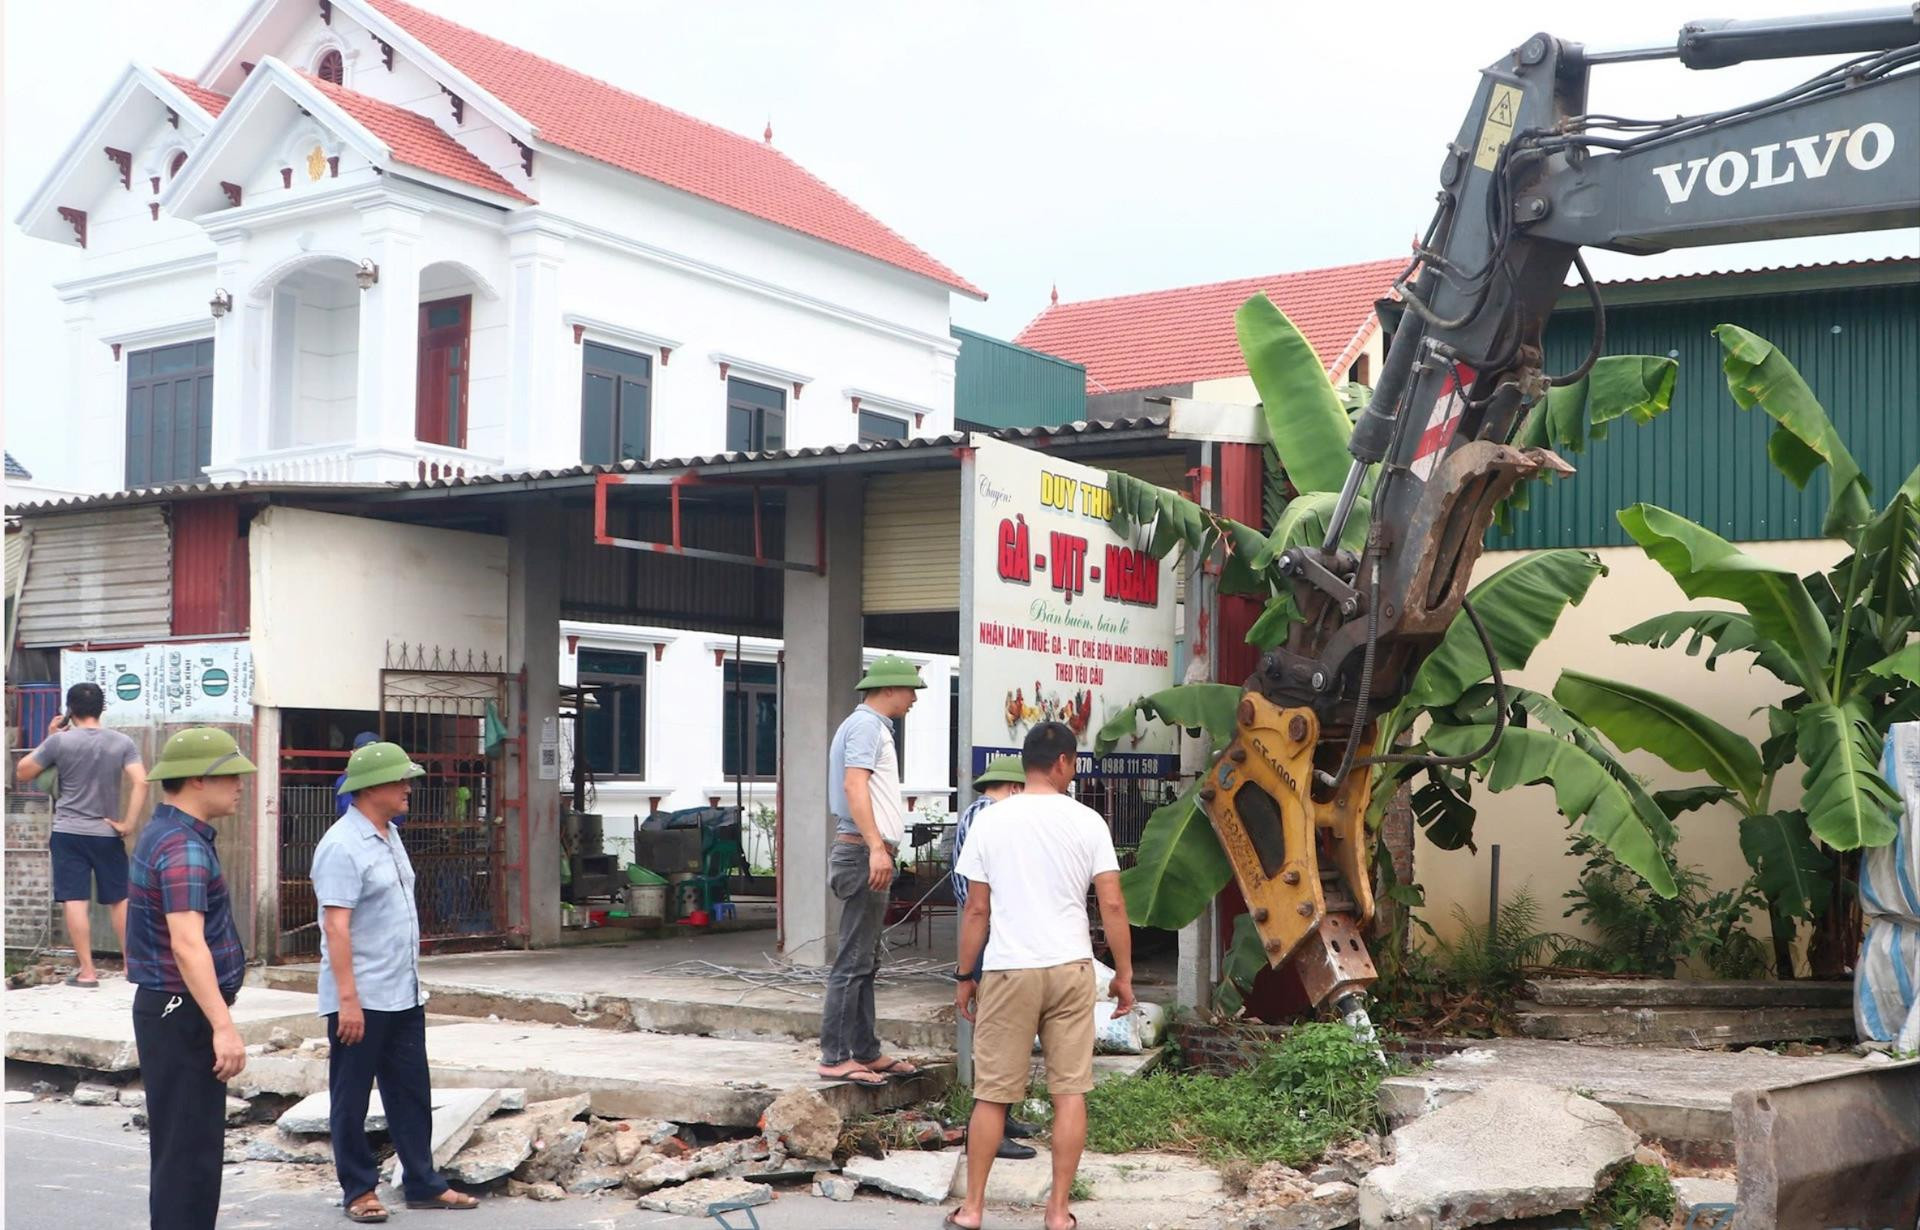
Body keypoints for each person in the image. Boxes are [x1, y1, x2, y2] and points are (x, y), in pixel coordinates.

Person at [948, 722, 1136, 1230]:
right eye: (1073, 764)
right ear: (1061, 764)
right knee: (1069, 1092)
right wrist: (1124, 974)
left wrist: (966, 976)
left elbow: (976, 912)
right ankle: (1056, 1213)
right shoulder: (1088, 821)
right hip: (1071, 968)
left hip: (1010, 969)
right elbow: (1113, 903)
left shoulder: (991, 820)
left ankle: (972, 1210)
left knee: (992, 1093)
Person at [312, 741, 478, 1221]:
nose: (409, 788)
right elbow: (335, 926)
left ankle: (423, 1181)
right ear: (372, 788)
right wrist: (347, 1000)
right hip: (361, 996)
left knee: (410, 1092)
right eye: (401, 780)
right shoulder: (341, 847)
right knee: (351, 1096)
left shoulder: (390, 834)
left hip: (402, 991)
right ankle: (359, 1191)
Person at [126, 727, 255, 1230]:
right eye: (232, 774)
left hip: (170, 1008)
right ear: (199, 779)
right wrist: (222, 1025)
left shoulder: (167, 832)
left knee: (187, 1150)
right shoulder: (183, 847)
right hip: (182, 1010)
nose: (241, 784)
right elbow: (186, 944)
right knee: (189, 1157)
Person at [817, 654, 923, 1088]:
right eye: (911, 689)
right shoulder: (865, 726)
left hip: (865, 850)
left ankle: (866, 1050)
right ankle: (835, 1055)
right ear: (888, 690)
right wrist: (877, 847)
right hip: (862, 851)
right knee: (853, 959)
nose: (915, 698)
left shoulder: (872, 727)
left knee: (865, 960)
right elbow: (853, 784)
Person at [15, 682, 148, 987]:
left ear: (70, 710)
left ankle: (87, 972)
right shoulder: (122, 742)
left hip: (68, 832)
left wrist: (50, 738)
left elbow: (23, 770)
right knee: (119, 899)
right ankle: (132, 966)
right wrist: (127, 823)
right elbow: (142, 782)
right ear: (102, 708)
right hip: (106, 832)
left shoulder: (60, 742)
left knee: (75, 900)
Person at [949, 754, 1037, 1160]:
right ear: (1015, 788)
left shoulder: (978, 813)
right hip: (991, 933)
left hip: (990, 930)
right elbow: (977, 896)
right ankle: (989, 1130)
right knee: (997, 1034)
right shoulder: (990, 816)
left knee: (1007, 1030)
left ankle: (1005, 1118)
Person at [332, 731, 380, 819]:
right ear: (353, 753)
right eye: (364, 752)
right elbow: (344, 813)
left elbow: (397, 816)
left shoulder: (388, 779)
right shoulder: (343, 781)